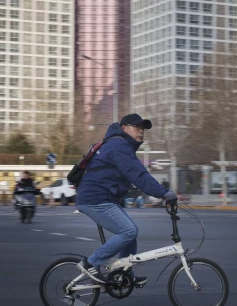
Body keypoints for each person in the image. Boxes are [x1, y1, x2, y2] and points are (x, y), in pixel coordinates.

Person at [76, 113, 177, 285]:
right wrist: (164, 193)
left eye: (143, 129)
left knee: (130, 233)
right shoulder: (119, 146)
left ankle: (123, 274)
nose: (141, 132)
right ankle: (90, 263)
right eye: (137, 127)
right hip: (95, 199)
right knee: (128, 231)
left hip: (102, 198)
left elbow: (136, 176)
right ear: (124, 128)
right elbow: (139, 176)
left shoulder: (118, 145)